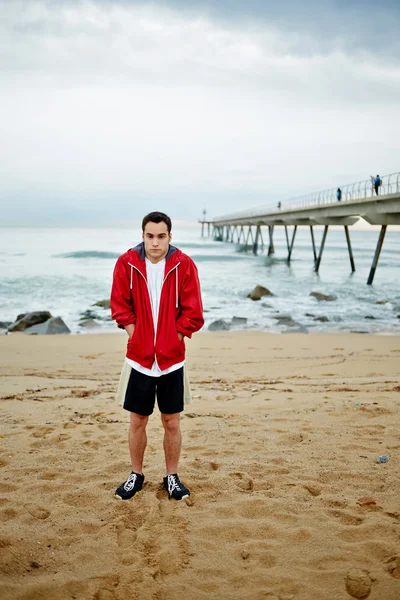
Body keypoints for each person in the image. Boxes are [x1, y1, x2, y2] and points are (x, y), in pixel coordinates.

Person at [111, 211, 204, 501]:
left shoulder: (183, 264)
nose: (155, 242)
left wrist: (174, 337)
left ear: (169, 237)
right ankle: (136, 475)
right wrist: (134, 334)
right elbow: (119, 304)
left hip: (171, 359)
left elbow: (193, 311)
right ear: (142, 236)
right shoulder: (127, 263)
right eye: (150, 236)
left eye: (161, 236)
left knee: (171, 422)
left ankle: (171, 476)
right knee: (137, 420)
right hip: (138, 358)